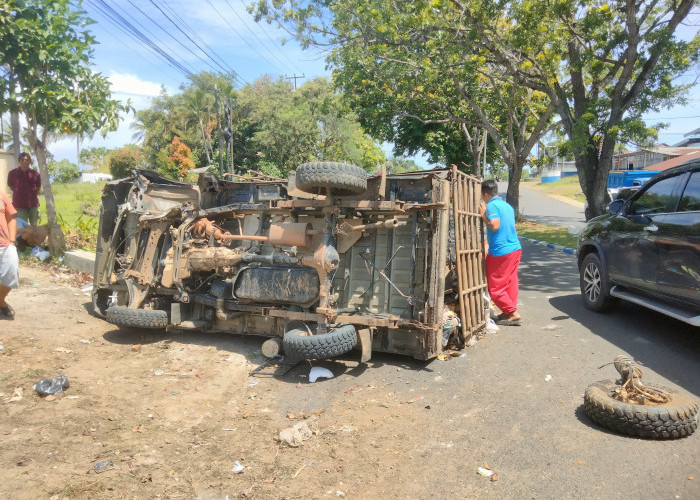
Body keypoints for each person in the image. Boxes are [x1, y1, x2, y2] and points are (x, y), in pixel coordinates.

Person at [479, 179, 522, 326]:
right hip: (515, 248)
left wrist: (483, 215)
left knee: (495, 286)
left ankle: (512, 313)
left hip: (501, 251)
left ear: (485, 194)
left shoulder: (491, 206)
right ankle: (508, 311)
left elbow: (495, 225)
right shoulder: (506, 206)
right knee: (510, 282)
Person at [7, 152, 42, 226]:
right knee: (23, 227)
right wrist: (19, 192)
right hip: (19, 204)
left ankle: (34, 238)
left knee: (34, 225)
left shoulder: (35, 174)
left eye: (27, 160)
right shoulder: (12, 173)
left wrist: (30, 193)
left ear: (30, 161)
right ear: (19, 161)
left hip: (33, 204)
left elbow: (38, 187)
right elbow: (11, 186)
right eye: (22, 160)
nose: (24, 161)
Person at [0, 189, 18, 320]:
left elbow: (11, 218)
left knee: (11, 274)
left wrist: (12, 241)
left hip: (5, 244)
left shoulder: (1, 194)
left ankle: (0, 299)